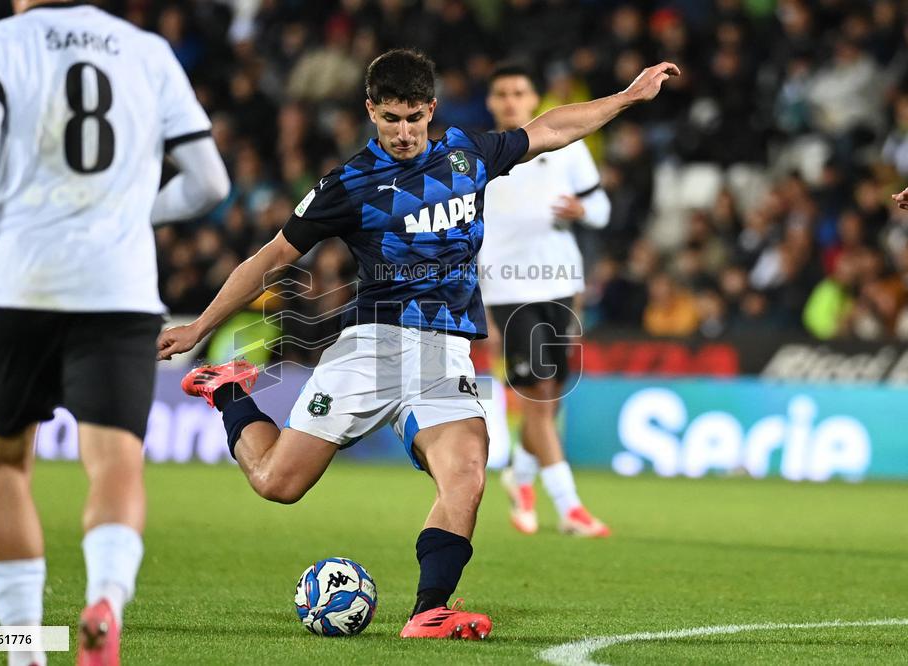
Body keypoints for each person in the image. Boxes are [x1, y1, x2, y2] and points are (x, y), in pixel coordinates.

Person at [158, 49, 677, 640]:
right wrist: (200, 328)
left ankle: (430, 609)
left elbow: (551, 128)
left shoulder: (467, 155)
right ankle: (229, 393)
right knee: (279, 484)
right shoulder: (348, 184)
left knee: (468, 472)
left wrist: (628, 97)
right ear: (370, 111)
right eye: (390, 119)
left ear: (430, 109)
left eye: (412, 118)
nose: (402, 133)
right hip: (372, 348)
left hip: (445, 353)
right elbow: (273, 257)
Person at [0, 2, 229, 664]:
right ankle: (105, 596)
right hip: (118, 289)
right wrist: (127, 211)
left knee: (7, 463)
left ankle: (23, 650)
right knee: (117, 461)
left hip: (18, 282)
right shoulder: (148, 50)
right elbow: (210, 182)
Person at [479, 63, 612, 537]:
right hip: (508, 291)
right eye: (502, 94)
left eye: (519, 91)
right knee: (536, 396)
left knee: (551, 397)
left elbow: (601, 207)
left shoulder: (568, 149)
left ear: (534, 99)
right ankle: (570, 506)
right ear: (491, 103)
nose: (511, 100)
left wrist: (583, 210)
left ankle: (520, 472)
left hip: (559, 283)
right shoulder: (480, 158)